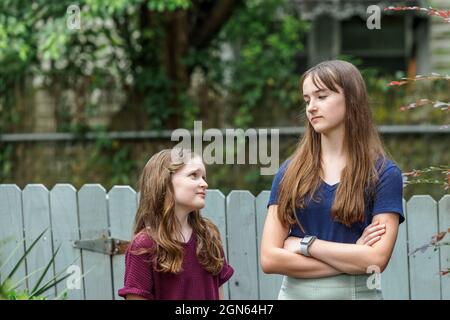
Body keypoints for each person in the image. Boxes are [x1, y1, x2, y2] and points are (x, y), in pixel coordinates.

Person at [260, 60, 405, 300]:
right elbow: (269, 258)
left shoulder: (384, 174)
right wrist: (353, 255)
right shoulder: (289, 173)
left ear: (351, 99)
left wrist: (306, 245)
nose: (311, 107)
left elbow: (376, 260)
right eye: (307, 100)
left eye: (322, 96)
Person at [118, 148, 234, 300]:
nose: (204, 183)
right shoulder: (144, 246)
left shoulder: (208, 238)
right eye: (194, 175)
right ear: (164, 181)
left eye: (204, 177)